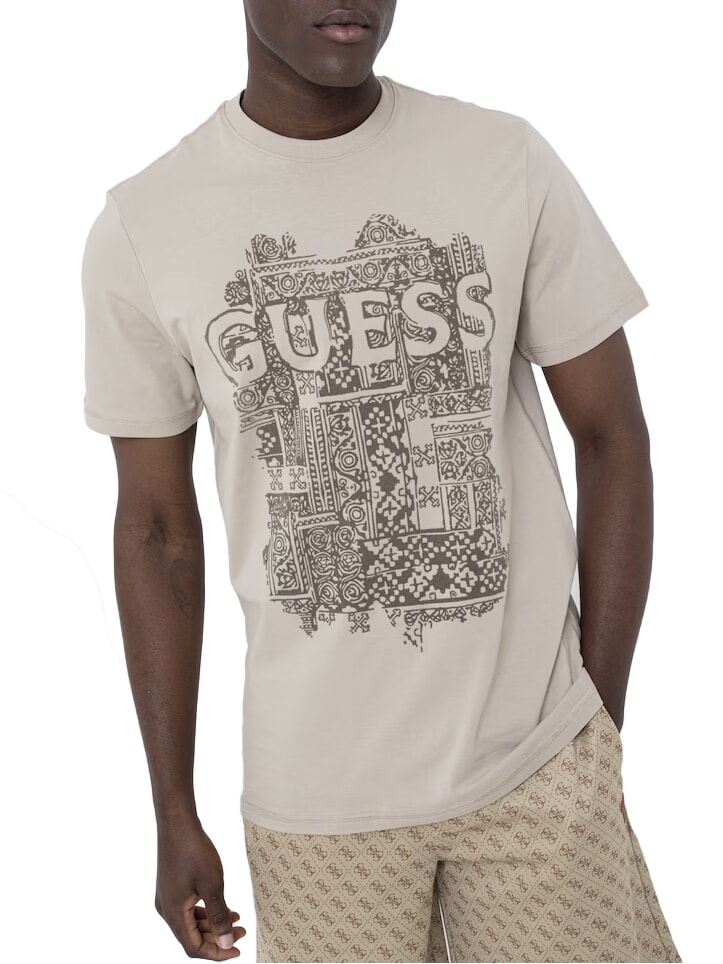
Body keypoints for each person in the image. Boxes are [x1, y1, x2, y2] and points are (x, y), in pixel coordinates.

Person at [80, 2, 682, 961]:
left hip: (536, 766)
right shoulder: (146, 225)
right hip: (318, 805)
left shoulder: (503, 160)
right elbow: (155, 531)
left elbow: (612, 435)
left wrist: (596, 719)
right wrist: (171, 810)